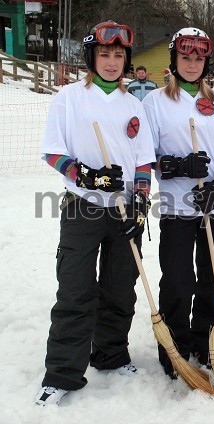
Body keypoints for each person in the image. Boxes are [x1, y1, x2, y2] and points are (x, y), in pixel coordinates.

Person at [36, 21, 156, 406]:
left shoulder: (134, 104)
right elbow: (53, 151)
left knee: (120, 287)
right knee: (76, 290)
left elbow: (142, 162)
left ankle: (111, 354)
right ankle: (62, 374)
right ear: (92, 57)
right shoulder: (69, 98)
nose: (111, 61)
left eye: (118, 55)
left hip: (123, 210)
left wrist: (140, 201)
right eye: (104, 54)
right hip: (82, 209)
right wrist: (85, 175)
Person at [142, 27, 214, 378]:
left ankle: (208, 341)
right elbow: (146, 154)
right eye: (185, 57)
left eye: (198, 58)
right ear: (174, 60)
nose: (191, 64)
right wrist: (176, 165)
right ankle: (176, 347)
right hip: (177, 208)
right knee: (177, 280)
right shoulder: (154, 102)